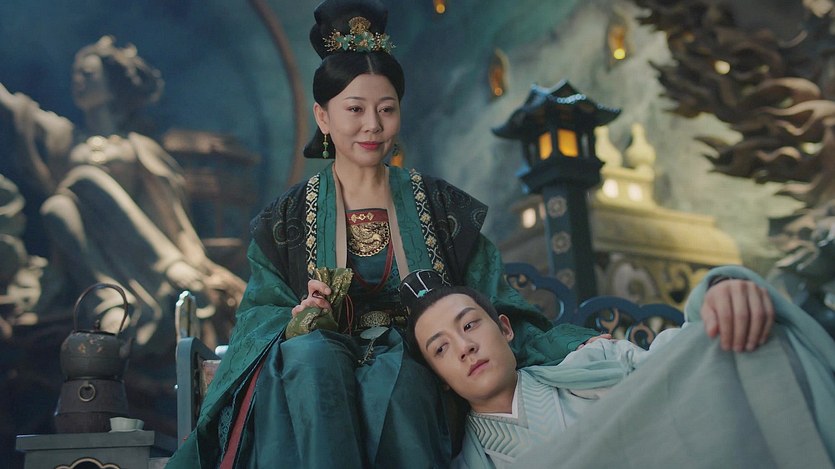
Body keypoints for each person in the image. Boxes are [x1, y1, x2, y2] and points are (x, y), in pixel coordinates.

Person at [168, 0, 602, 467]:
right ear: (323, 117)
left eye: (386, 109)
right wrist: (299, 319)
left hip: (417, 366)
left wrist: (571, 344)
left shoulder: (441, 207)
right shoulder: (286, 220)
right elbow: (258, 316)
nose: (372, 125)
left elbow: (495, 301)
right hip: (316, 368)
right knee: (309, 358)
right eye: (355, 109)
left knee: (399, 377)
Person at [402, 267, 835, 468]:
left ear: (505, 328)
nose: (465, 347)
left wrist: (719, 293)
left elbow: (681, 357)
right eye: (441, 349)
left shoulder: (595, 364)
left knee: (745, 337)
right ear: (440, 379)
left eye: (470, 325)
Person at [0, 36, 246, 355]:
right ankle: (108, 300)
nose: (78, 80)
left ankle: (167, 266)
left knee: (83, 177)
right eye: (75, 74)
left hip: (140, 255)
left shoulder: (137, 147)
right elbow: (16, 109)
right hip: (90, 254)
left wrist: (186, 258)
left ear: (111, 85)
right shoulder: (68, 138)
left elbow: (169, 213)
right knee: (57, 206)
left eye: (88, 73)